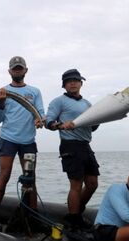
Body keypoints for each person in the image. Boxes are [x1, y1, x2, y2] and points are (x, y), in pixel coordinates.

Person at [0, 56, 45, 231]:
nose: (17, 71)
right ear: (9, 71)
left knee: (30, 178)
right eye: (14, 68)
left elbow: (41, 114)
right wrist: (0, 102)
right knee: (4, 175)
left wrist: (40, 120)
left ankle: (32, 215)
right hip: (7, 140)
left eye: (20, 68)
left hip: (28, 142)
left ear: (26, 70)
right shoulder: (2, 91)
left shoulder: (35, 91)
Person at [45, 69, 99, 229]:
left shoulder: (87, 104)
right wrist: (61, 125)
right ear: (64, 85)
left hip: (85, 145)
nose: (73, 83)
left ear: (81, 83)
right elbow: (49, 123)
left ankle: (74, 212)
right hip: (70, 145)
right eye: (69, 81)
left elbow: (93, 126)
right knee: (76, 185)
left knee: (92, 184)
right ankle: (75, 219)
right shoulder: (58, 102)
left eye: (76, 80)